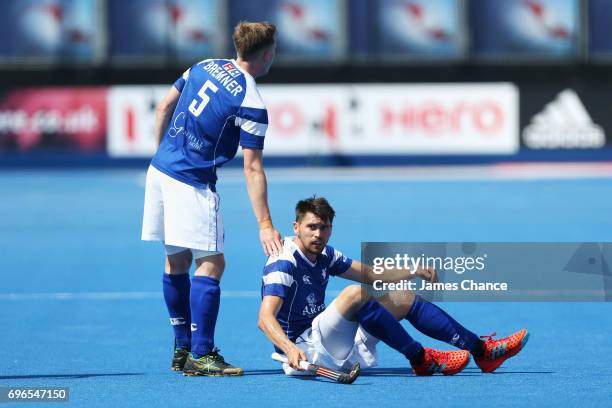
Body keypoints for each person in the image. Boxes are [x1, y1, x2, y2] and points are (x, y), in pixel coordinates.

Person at [142, 21, 283, 377]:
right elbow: (252, 169)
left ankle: (181, 349)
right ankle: (202, 354)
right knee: (212, 264)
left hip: (159, 171)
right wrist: (265, 224)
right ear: (267, 54)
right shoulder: (251, 100)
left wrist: (163, 156)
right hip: (191, 182)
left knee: (176, 262)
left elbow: (163, 108)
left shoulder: (204, 65)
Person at [258, 197, 529, 376]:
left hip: (332, 338)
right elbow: (264, 318)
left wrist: (411, 270)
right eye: (312, 227)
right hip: (305, 350)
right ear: (296, 226)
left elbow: (372, 274)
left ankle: (482, 352)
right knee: (354, 295)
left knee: (403, 298)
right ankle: (421, 358)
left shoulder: (325, 253)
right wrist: (290, 348)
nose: (318, 234)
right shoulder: (283, 263)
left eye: (325, 228)